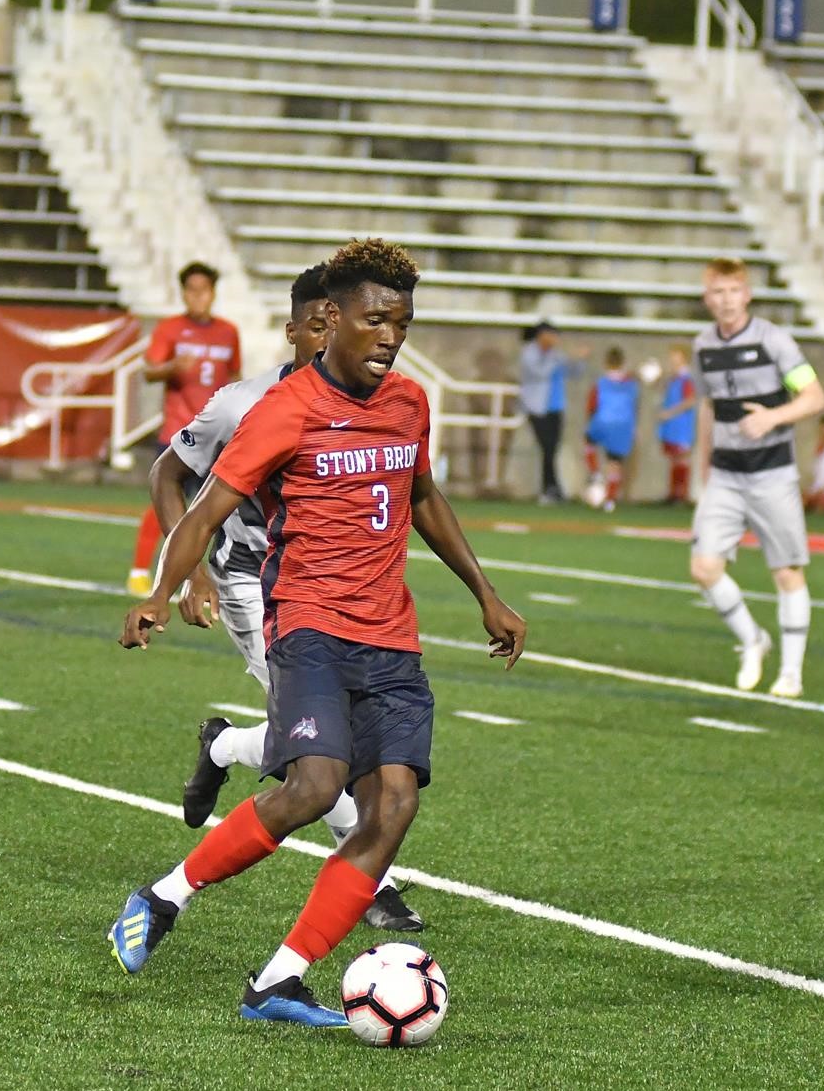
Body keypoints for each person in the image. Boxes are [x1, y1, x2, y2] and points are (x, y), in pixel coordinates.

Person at [111, 239, 526, 1027]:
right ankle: (163, 898)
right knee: (313, 785)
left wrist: (486, 592)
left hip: (392, 635)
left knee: (394, 806)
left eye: (402, 322)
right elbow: (201, 508)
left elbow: (425, 494)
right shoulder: (282, 410)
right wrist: (163, 590)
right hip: (308, 625)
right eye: (376, 320)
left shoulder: (409, 402)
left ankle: (278, 980)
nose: (390, 337)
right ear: (330, 321)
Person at [152, 263, 422, 933]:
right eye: (319, 325)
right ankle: (375, 884)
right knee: (317, 751)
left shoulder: (374, 399)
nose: (330, 336)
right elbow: (170, 475)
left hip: (330, 593)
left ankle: (220, 747)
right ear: (298, 328)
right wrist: (188, 577)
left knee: (317, 737)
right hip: (253, 577)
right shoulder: (247, 402)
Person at [688, 257, 824, 698]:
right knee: (704, 568)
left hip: (772, 474)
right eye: (717, 292)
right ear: (707, 297)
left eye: (734, 291)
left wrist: (773, 417)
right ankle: (752, 640)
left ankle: (791, 673)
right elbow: (708, 409)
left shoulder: (774, 340)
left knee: (786, 572)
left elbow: (814, 397)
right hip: (726, 476)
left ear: (747, 294)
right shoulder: (703, 346)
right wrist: (701, 470)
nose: (726, 300)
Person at [127, 262, 243, 597]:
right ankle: (139, 571)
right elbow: (148, 372)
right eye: (191, 290)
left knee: (219, 509)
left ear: (212, 293)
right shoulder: (171, 329)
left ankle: (208, 578)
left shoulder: (228, 332)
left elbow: (234, 376)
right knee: (166, 502)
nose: (198, 297)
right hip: (180, 431)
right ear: (183, 293)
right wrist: (171, 368)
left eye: (203, 290)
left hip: (218, 435)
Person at [518, 320, 588, 504]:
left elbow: (574, 372)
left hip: (555, 407)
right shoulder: (529, 352)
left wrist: (579, 359)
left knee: (552, 449)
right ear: (542, 335)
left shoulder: (555, 354)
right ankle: (549, 489)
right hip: (537, 408)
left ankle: (552, 489)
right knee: (547, 448)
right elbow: (539, 373)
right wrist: (554, 358)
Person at [582, 347, 638, 512]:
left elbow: (591, 405)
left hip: (602, 422)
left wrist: (590, 420)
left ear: (606, 363)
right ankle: (610, 501)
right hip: (622, 426)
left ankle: (595, 472)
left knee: (588, 443)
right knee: (615, 464)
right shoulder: (631, 383)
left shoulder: (601, 383)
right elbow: (634, 405)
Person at [656, 344, 697, 504]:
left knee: (682, 458)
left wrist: (670, 413)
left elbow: (690, 401)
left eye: (676, 356)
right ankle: (673, 494)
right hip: (671, 426)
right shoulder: (672, 378)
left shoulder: (687, 379)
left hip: (681, 425)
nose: (672, 360)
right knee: (674, 458)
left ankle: (681, 494)